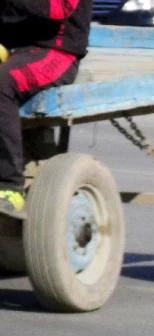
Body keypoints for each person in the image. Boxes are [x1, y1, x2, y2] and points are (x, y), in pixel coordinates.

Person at [0, 0, 91, 219]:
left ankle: (10, 187)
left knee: (3, 84)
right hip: (11, 43)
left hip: (55, 50)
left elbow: (58, 8)